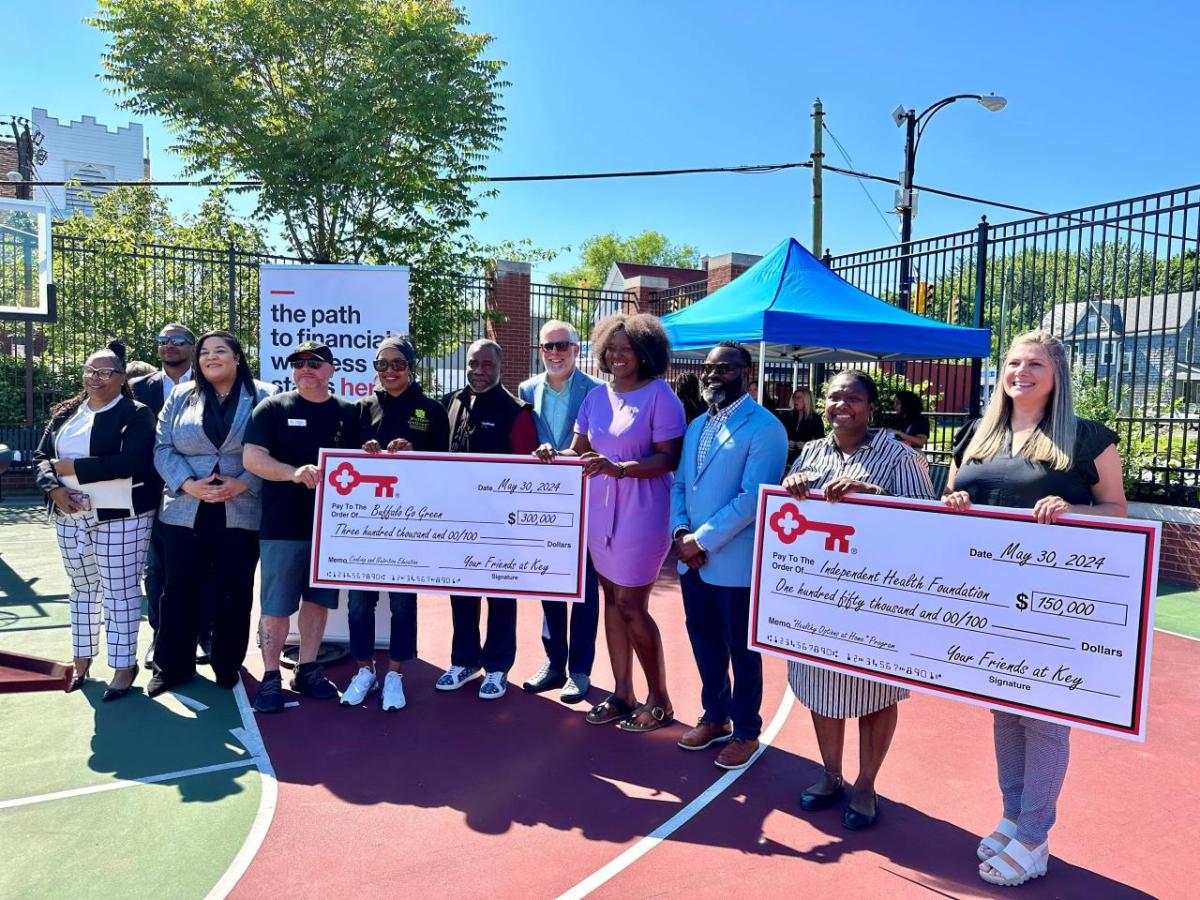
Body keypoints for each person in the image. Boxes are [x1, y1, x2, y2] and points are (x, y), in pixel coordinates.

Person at [943, 330, 1126, 887]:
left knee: (1044, 718)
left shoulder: (1087, 436)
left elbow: (1117, 510)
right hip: (986, 596)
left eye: (1036, 364)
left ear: (1057, 374)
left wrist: (1073, 511)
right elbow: (949, 503)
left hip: (1052, 600)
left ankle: (1034, 836)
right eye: (1014, 362)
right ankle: (1013, 812)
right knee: (1003, 708)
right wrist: (953, 505)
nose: (1022, 371)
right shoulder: (977, 432)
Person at [781, 370, 935, 829]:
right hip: (818, 600)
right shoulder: (811, 452)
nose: (841, 405)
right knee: (821, 689)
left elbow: (927, 521)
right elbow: (786, 519)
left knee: (874, 691)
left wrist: (876, 497)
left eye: (852, 397)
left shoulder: (898, 456)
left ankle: (866, 785)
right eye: (833, 397)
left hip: (874, 601)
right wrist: (795, 487)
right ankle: (831, 775)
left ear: (870, 407)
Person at [536, 313, 686, 733]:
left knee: (630, 604)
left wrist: (619, 468)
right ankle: (622, 693)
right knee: (610, 600)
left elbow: (667, 458)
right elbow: (579, 451)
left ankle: (660, 700)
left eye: (627, 349)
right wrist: (552, 452)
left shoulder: (661, 396)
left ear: (645, 352)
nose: (618, 356)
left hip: (644, 510)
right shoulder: (596, 398)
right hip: (599, 511)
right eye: (612, 349)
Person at [670, 342, 787, 769]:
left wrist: (701, 540)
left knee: (741, 648)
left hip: (732, 562)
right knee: (704, 641)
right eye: (708, 367)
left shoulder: (765, 428)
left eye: (724, 368)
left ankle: (745, 730)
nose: (714, 374)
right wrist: (681, 532)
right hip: (691, 558)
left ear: (746, 373)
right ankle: (715, 715)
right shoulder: (697, 424)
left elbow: (752, 498)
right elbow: (681, 485)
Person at [146, 331, 276, 697]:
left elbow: (276, 447)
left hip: (241, 507)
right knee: (179, 589)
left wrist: (245, 482)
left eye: (221, 351)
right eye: (205, 352)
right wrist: (187, 484)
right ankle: (172, 666)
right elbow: (162, 447)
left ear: (238, 357)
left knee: (234, 589)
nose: (211, 357)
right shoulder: (178, 396)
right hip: (186, 508)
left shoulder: (265, 395)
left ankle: (226, 662)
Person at [34, 340, 157, 701]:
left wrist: (75, 469)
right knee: (82, 589)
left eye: (105, 372)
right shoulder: (66, 414)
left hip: (121, 518)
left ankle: (123, 666)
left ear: (122, 377)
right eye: (90, 371)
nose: (96, 378)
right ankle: (82, 658)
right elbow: (42, 456)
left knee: (120, 592)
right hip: (68, 515)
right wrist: (55, 490)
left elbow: (133, 462)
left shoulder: (136, 413)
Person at [242, 340, 361, 713]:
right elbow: (252, 457)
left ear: (331, 370)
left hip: (330, 529)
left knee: (317, 601)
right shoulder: (273, 408)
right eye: (298, 363)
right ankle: (271, 676)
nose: (305, 368)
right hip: (282, 526)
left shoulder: (350, 412)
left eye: (314, 362)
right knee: (276, 607)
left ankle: (308, 669)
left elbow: (364, 463)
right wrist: (293, 473)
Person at [340, 337, 450, 712]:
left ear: (411, 365)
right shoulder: (362, 407)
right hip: (366, 527)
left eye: (397, 363)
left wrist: (416, 454)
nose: (390, 371)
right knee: (358, 604)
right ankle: (365, 670)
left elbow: (447, 467)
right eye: (382, 364)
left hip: (409, 524)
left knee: (403, 604)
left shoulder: (431, 409)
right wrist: (362, 452)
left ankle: (395, 674)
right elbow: (346, 465)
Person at [438, 339, 539, 700]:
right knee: (461, 595)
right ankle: (463, 661)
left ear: (500, 367)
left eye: (486, 365)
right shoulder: (450, 402)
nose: (479, 371)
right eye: (473, 364)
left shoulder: (517, 411)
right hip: (457, 521)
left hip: (500, 527)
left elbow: (528, 474)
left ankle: (497, 668)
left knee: (500, 597)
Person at [518, 321, 604, 703]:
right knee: (548, 584)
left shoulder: (597, 392)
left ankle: (580, 670)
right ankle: (554, 663)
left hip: (586, 503)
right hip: (544, 505)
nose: (554, 353)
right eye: (547, 346)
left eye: (562, 345)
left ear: (575, 349)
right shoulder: (526, 390)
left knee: (584, 590)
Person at [131, 323, 196, 667]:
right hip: (151, 491)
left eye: (178, 340)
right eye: (163, 340)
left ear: (192, 346)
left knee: (204, 566)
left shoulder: (211, 383)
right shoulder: (137, 388)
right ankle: (161, 637)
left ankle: (204, 634)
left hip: (200, 490)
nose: (169, 345)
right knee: (156, 568)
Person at [777, 386, 825, 468]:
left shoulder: (815, 419)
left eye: (798, 398)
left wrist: (806, 445)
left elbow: (821, 441)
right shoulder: (787, 416)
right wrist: (786, 441)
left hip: (806, 459)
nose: (796, 400)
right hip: (787, 457)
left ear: (806, 400)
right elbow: (778, 434)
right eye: (794, 398)